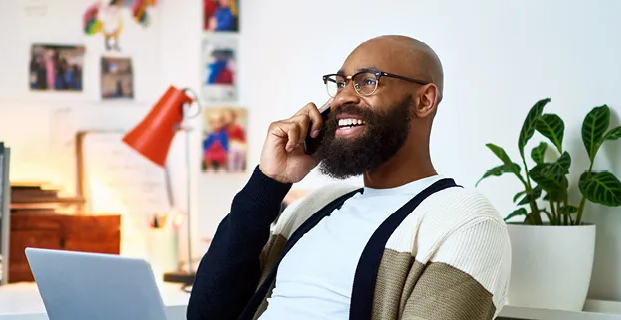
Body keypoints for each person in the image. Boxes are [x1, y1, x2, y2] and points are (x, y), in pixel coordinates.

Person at [187, 35, 512, 320]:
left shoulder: (465, 223)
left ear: (423, 100)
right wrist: (269, 182)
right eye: (341, 83)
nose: (342, 98)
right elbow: (207, 312)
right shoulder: (315, 207)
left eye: (367, 81)